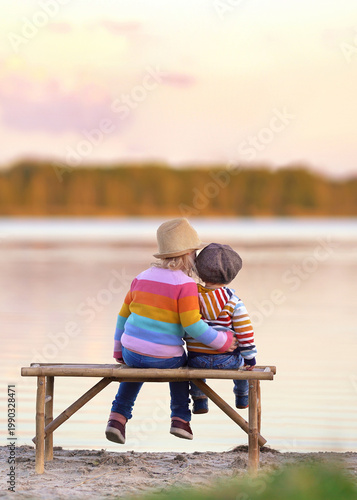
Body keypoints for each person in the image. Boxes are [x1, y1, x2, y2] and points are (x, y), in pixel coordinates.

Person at [105, 219, 236, 445]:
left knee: (133, 367)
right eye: (194, 253)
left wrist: (119, 350)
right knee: (182, 364)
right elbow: (193, 326)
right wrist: (222, 342)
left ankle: (117, 419)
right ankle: (180, 419)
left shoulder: (141, 278)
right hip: (166, 359)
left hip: (131, 352)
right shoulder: (185, 285)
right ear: (188, 255)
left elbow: (122, 316)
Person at [185, 243, 257, 414]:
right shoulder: (234, 302)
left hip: (197, 359)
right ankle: (242, 396)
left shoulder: (191, 298)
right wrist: (250, 358)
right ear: (231, 276)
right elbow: (245, 332)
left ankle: (200, 400)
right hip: (228, 360)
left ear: (199, 272)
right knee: (242, 364)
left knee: (195, 373)